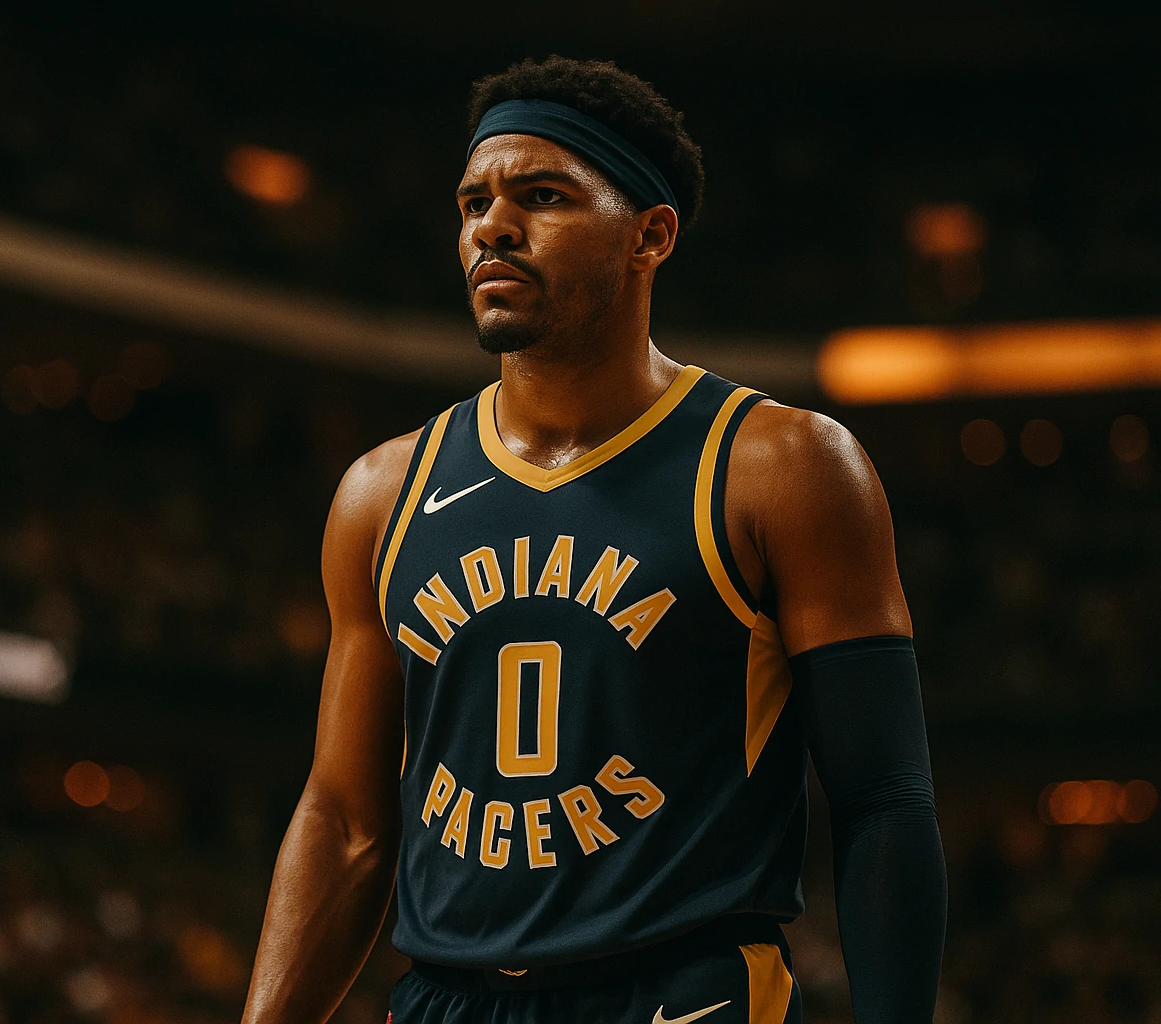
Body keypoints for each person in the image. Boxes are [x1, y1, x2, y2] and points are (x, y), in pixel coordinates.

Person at [241, 56, 946, 1024]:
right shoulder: (382, 490)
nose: (492, 225)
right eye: (472, 201)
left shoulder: (779, 464)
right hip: (447, 1001)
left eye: (542, 196)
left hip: (679, 994)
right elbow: (348, 822)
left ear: (649, 235)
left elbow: (884, 800)